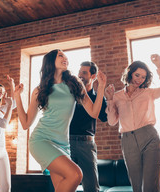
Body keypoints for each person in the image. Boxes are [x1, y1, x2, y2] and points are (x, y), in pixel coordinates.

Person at [14, 49, 107, 192]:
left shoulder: (74, 83)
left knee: (63, 187)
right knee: (76, 174)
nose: (65, 58)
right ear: (51, 61)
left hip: (63, 145)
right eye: (60, 55)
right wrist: (17, 97)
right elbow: (26, 123)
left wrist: (101, 87)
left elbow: (94, 113)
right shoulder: (40, 89)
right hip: (42, 140)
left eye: (66, 56)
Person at [105, 54, 160, 192]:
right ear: (129, 73)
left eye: (143, 77)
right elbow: (112, 122)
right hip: (128, 141)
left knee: (150, 187)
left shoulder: (148, 93)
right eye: (137, 75)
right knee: (136, 186)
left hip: (149, 138)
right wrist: (110, 99)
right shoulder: (117, 96)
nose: (140, 80)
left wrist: (158, 65)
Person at [69, 61, 107, 192]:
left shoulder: (98, 97)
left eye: (84, 73)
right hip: (66, 143)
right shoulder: (71, 95)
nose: (80, 76)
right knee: (66, 184)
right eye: (79, 73)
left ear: (93, 76)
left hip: (86, 145)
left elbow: (104, 117)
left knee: (91, 187)